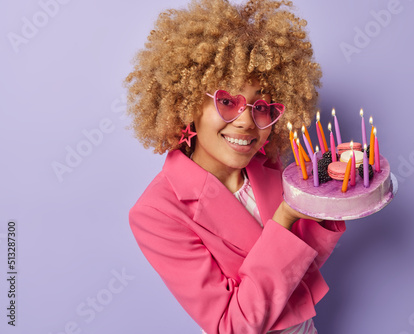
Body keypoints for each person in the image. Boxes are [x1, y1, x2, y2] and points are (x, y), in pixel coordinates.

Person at [125, 0, 346, 333]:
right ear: (186, 103)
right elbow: (234, 326)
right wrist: (285, 218)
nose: (246, 122)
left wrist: (326, 201)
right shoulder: (157, 213)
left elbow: (301, 267)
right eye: (227, 101)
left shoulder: (267, 167)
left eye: (260, 105)